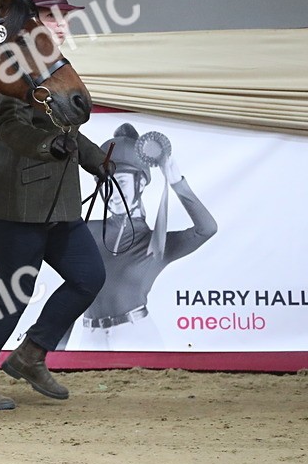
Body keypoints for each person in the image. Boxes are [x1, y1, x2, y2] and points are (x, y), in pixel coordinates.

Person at [0, 0, 110, 410]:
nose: (63, 24)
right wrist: (45, 146)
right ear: (31, 19)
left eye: (65, 16)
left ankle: (31, 353)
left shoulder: (51, 63)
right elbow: (8, 125)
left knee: (88, 277)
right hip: (11, 198)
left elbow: (68, 129)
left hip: (58, 203)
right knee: (15, 290)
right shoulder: (14, 63)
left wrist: (97, 159)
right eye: (54, 15)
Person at [76, 123, 217, 349]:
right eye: (106, 185)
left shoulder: (156, 242)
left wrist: (176, 182)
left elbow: (206, 229)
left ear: (140, 182)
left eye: (120, 182)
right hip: (89, 336)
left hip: (135, 334)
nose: (111, 194)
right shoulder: (86, 229)